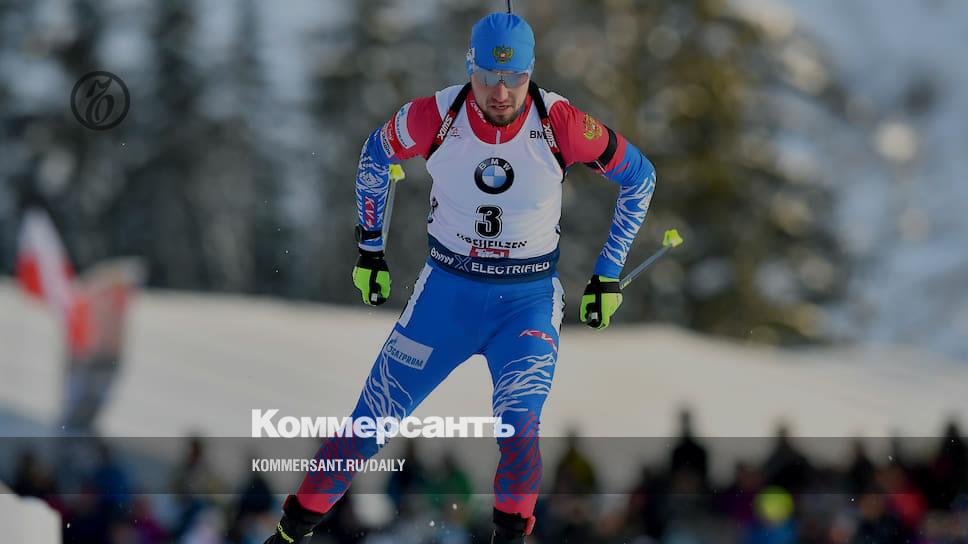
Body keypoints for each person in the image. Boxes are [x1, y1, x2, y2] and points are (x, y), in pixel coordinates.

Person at [265, 11, 656, 544]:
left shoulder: (559, 122)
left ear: (531, 72)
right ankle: (289, 534)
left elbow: (639, 177)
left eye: (515, 78)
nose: (501, 92)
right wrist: (370, 251)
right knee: (369, 423)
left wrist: (607, 275)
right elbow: (375, 155)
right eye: (488, 77)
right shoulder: (436, 115)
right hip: (446, 296)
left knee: (519, 429)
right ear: (470, 67)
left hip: (525, 302)